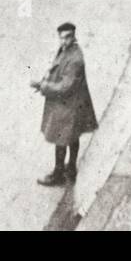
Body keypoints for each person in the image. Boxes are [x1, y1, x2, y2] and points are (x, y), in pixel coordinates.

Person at [32, 22, 99, 185]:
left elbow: (66, 87)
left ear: (74, 36)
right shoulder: (68, 50)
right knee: (72, 135)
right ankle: (71, 168)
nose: (64, 41)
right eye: (61, 38)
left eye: (68, 37)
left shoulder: (75, 59)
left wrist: (43, 86)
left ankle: (58, 174)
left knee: (61, 138)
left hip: (68, 105)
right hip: (74, 104)